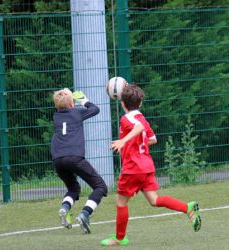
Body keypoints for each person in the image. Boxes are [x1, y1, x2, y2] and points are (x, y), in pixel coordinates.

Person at [101, 84, 201, 246]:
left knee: (121, 203)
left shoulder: (127, 119)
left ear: (122, 103)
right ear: (140, 103)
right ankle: (187, 208)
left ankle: (120, 238)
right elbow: (152, 139)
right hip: (146, 165)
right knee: (154, 200)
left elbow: (138, 128)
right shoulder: (141, 118)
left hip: (133, 168)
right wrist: (130, 145)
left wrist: (123, 141)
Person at [51, 88, 108, 234]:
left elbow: (65, 109)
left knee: (73, 189)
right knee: (100, 187)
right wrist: (83, 100)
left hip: (58, 160)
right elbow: (95, 109)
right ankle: (85, 214)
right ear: (72, 104)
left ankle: (64, 208)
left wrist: (69, 102)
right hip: (74, 157)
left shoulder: (56, 116)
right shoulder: (76, 113)